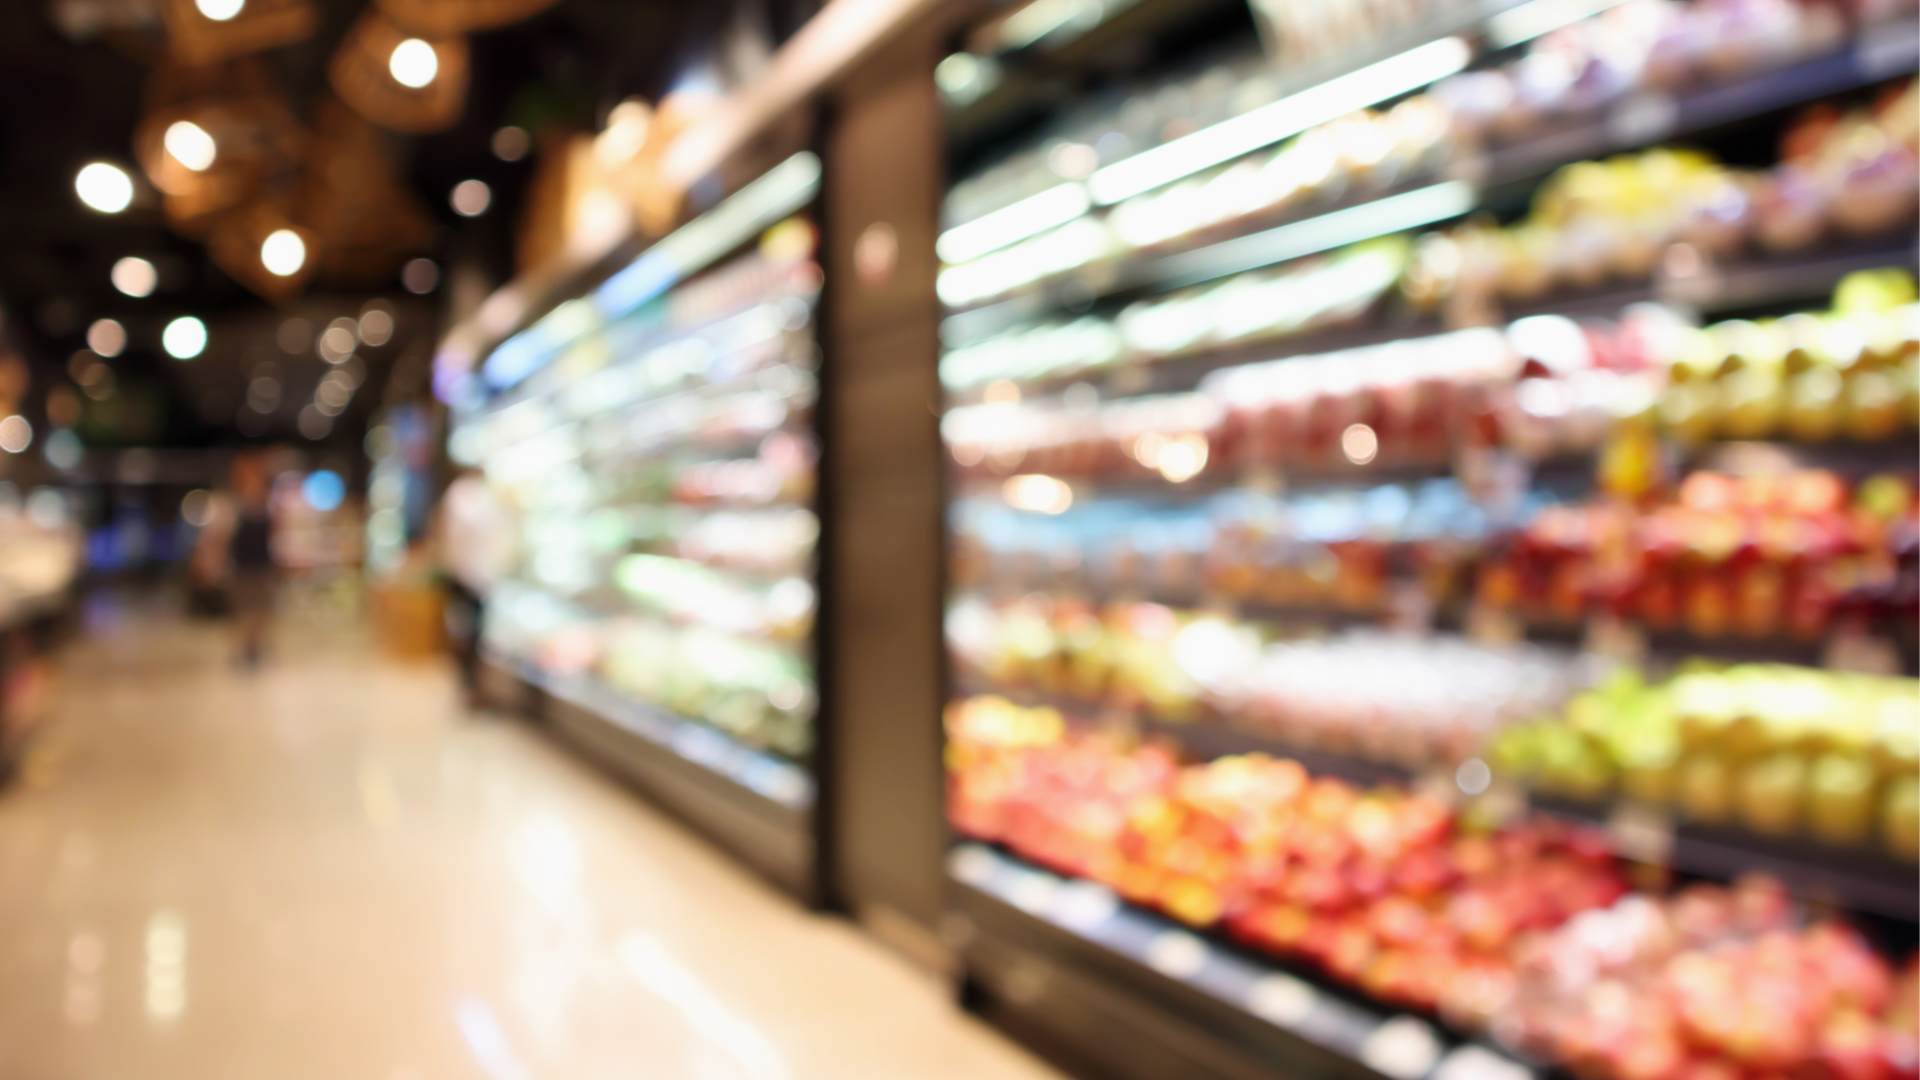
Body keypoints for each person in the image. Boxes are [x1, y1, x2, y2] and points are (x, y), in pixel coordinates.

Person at [436, 467, 508, 707]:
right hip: (469, 578)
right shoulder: (465, 495)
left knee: (468, 632)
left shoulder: (461, 496)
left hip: (469, 576)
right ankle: (470, 686)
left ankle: (471, 686)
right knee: (469, 634)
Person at [224, 452, 279, 668]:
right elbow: (225, 537)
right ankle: (245, 647)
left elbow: (274, 538)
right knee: (243, 611)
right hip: (242, 568)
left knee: (262, 610)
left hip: (262, 566)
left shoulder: (268, 504)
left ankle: (255, 646)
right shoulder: (233, 504)